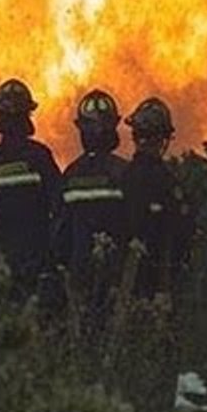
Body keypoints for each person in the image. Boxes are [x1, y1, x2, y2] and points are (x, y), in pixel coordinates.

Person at [54, 89, 130, 326]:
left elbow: (59, 234)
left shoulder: (70, 175)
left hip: (80, 279)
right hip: (118, 280)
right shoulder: (125, 173)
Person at [0, 79, 62, 302]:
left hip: (4, 266)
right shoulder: (38, 156)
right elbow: (59, 205)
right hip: (39, 265)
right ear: (26, 116)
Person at [123, 97, 193, 299]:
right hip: (159, 282)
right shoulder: (167, 182)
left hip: (124, 285)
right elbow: (183, 232)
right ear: (163, 138)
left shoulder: (122, 177)